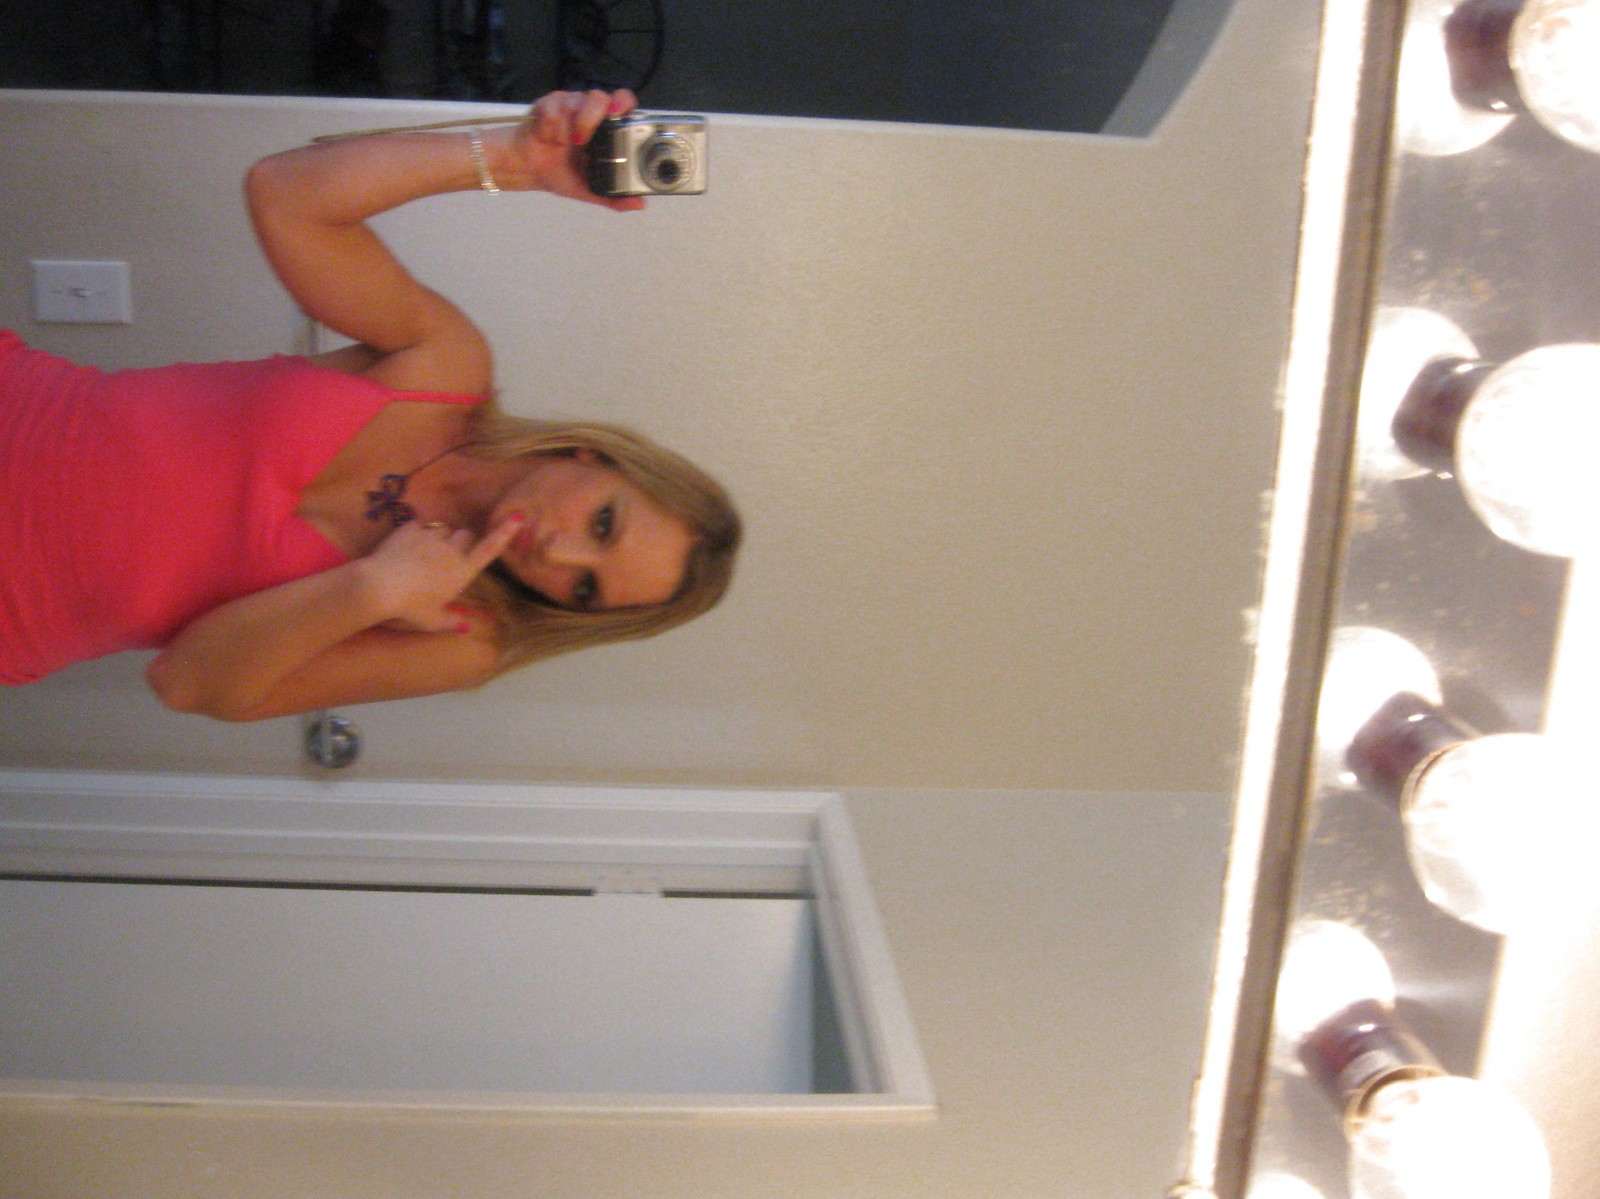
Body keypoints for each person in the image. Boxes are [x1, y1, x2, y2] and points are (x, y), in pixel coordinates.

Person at [0, 89, 740, 720]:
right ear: (595, 457)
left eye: (584, 587)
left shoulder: (458, 635)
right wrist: (516, 160)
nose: (559, 554)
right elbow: (287, 195)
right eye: (602, 523)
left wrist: (370, 591)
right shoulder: (445, 369)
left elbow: (189, 682)